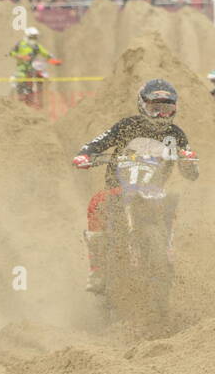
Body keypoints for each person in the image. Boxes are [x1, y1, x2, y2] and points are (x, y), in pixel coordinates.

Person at [70, 79, 200, 292]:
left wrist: (189, 161)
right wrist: (84, 155)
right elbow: (98, 142)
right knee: (96, 203)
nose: (162, 114)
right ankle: (97, 270)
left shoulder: (176, 135)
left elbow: (191, 173)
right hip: (118, 188)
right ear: (142, 106)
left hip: (153, 191)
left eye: (167, 109)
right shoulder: (127, 126)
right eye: (155, 108)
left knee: (171, 206)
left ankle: (166, 256)